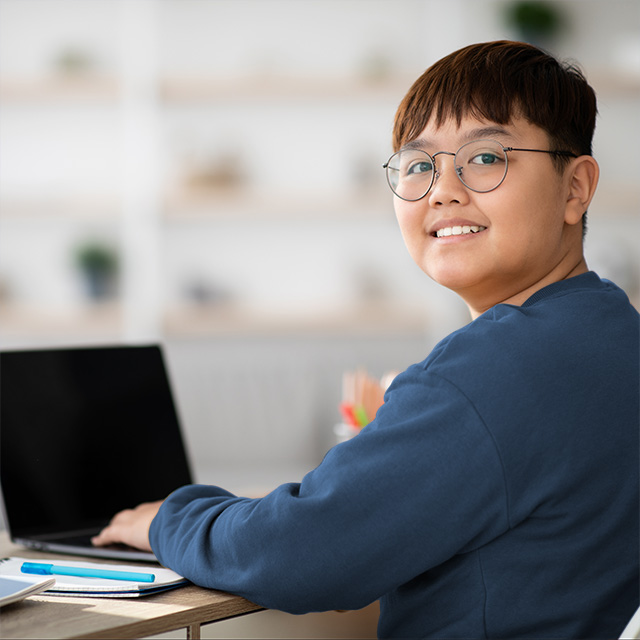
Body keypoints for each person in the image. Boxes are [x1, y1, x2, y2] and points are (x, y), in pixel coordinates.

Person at [93, 41, 639, 638]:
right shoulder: (614, 333)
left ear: (575, 188)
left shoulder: (496, 367)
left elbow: (299, 557)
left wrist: (167, 519)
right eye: (419, 165)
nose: (443, 189)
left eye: (486, 157)